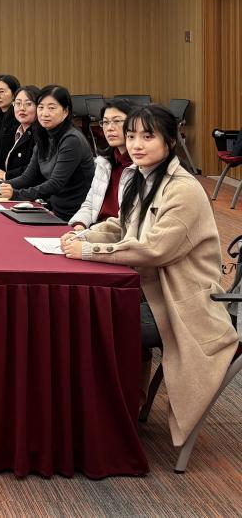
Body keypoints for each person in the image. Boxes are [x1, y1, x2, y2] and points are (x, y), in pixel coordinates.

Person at [63, 105, 238, 449]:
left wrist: (89, 252)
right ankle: (109, 412)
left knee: (100, 319)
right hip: (149, 292)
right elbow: (121, 225)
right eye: (131, 136)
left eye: (148, 136)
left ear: (170, 141)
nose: (136, 144)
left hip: (183, 304)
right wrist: (81, 236)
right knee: (87, 306)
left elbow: (156, 250)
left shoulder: (184, 189)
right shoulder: (140, 177)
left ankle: (113, 420)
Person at [0, 85, 94, 220]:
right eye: (41, 107)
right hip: (51, 208)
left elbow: (55, 184)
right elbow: (28, 177)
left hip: (72, 216)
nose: (44, 113)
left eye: (51, 108)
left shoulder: (71, 140)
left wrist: (16, 194)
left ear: (65, 111)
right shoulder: (44, 136)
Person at [69, 99, 137, 231]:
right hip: (93, 231)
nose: (109, 128)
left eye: (117, 121)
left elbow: (128, 223)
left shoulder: (140, 167)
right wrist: (79, 225)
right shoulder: (104, 162)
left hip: (115, 235)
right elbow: (90, 204)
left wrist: (91, 234)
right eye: (105, 122)